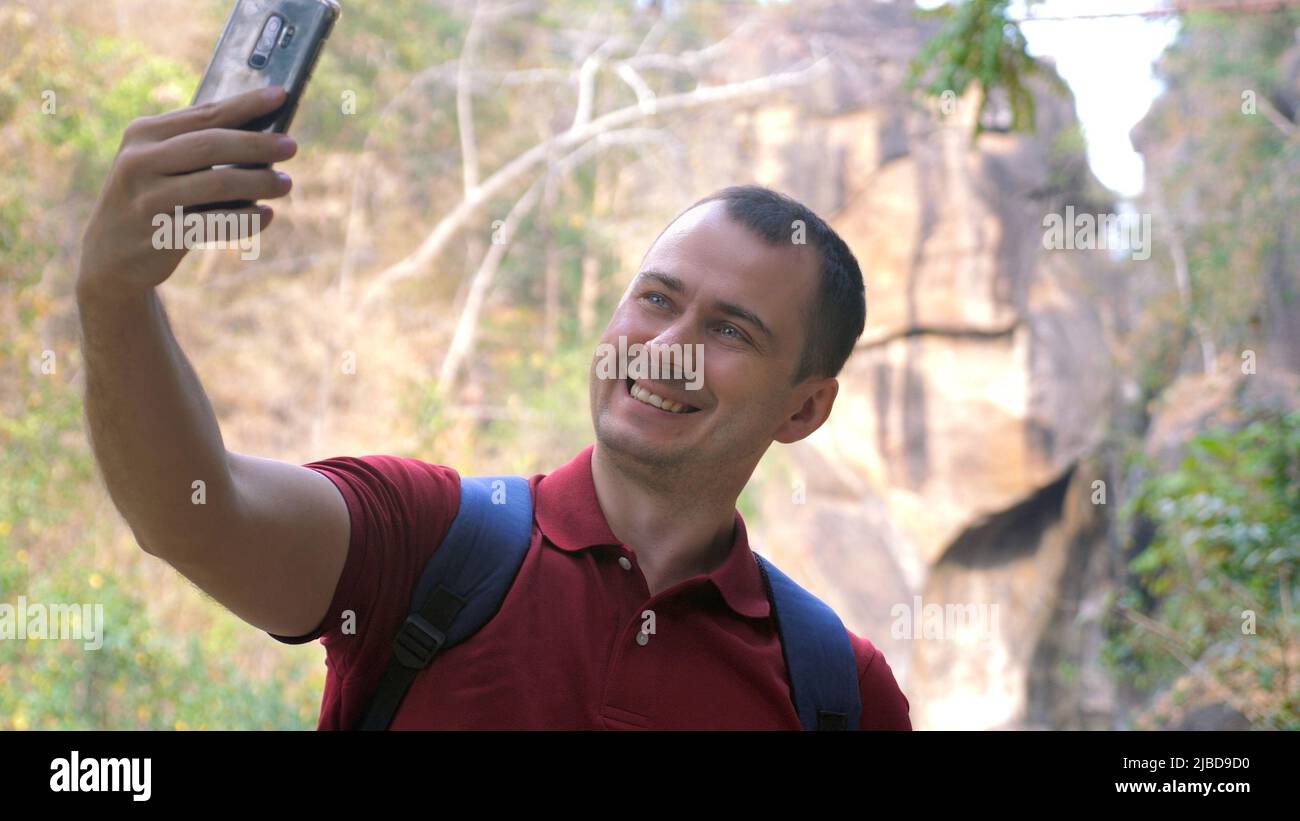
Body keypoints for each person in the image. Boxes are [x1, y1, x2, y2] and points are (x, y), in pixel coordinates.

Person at [77, 86, 911, 730]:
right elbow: (196, 513)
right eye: (657, 298)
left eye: (731, 328)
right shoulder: (427, 543)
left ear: (804, 410)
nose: (667, 349)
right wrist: (115, 295)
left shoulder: (838, 693)